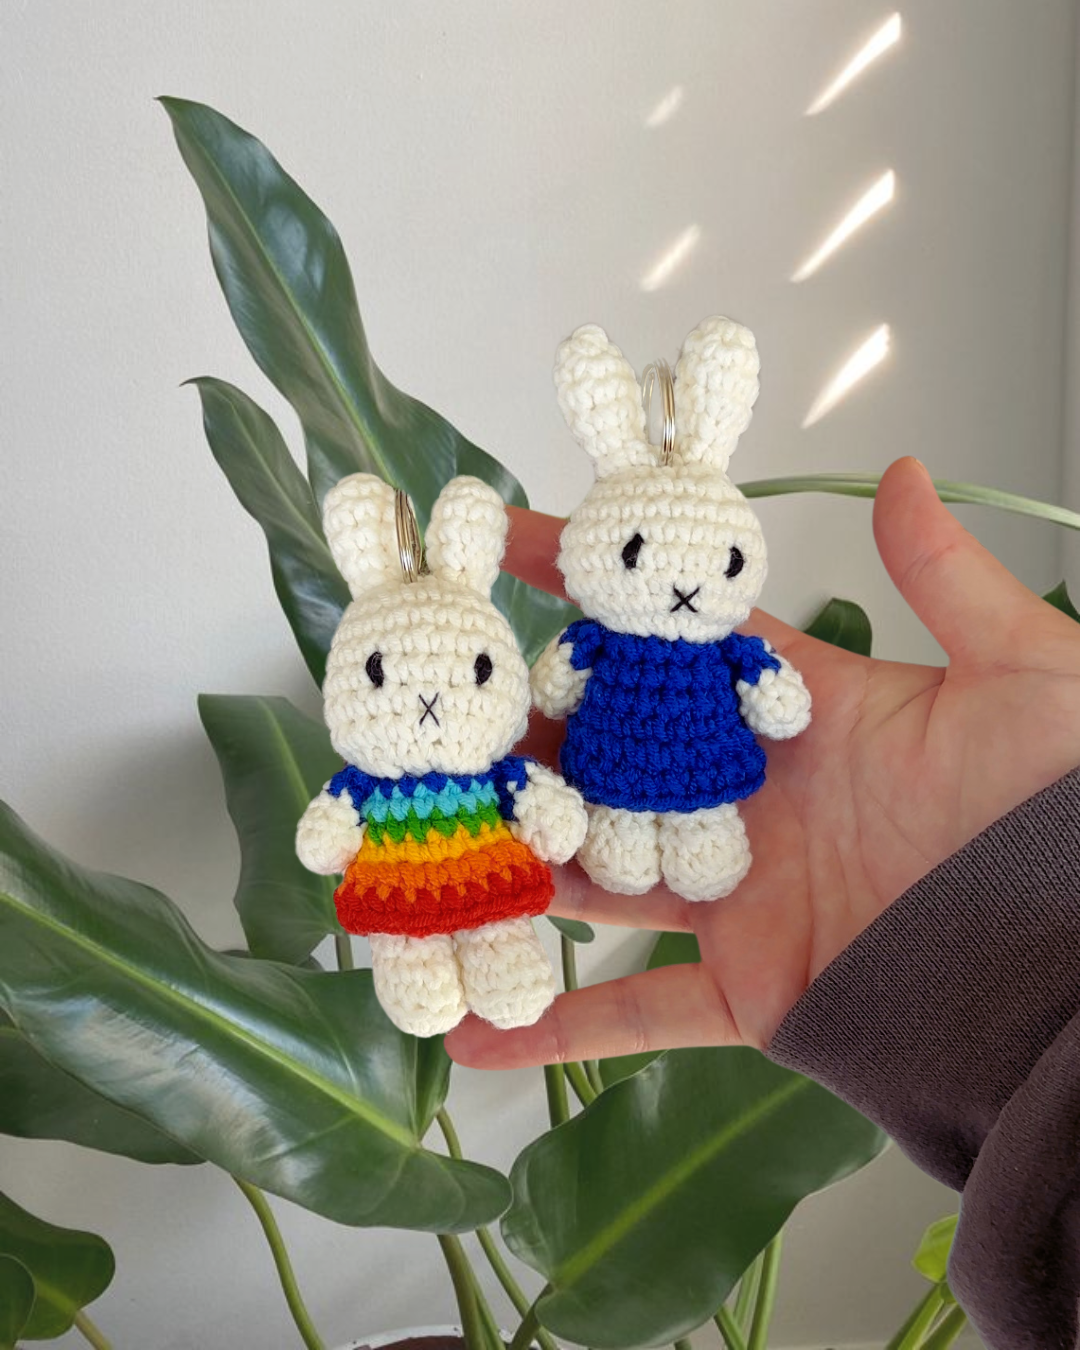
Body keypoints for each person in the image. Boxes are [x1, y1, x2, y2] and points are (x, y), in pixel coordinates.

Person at [445, 456, 1080, 1349]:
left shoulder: (729, 650)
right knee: (612, 851)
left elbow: (772, 698)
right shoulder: (601, 646)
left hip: (712, 808)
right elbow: (554, 683)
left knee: (683, 853)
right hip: (618, 801)